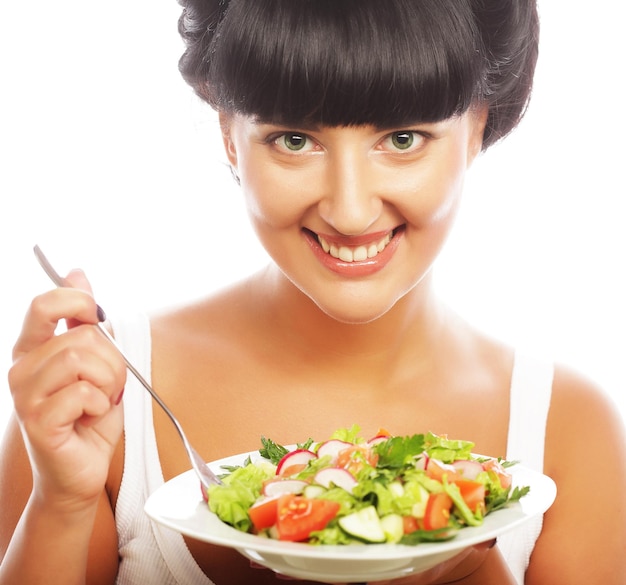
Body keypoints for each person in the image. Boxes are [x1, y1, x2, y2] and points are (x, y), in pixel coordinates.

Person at [1, 1, 625, 584]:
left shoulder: (569, 428)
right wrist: (62, 500)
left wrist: (470, 569)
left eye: (402, 138)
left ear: (478, 127)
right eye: (294, 140)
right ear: (226, 131)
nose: (350, 212)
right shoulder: (104, 394)